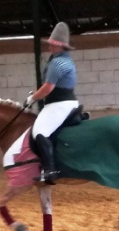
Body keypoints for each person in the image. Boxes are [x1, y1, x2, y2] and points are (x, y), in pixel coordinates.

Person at [24, 22, 79, 184]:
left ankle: (50, 170)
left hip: (59, 103)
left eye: (53, 45)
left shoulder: (58, 63)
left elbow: (48, 87)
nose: (49, 47)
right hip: (61, 103)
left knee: (40, 132)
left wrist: (33, 98)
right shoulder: (60, 59)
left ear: (61, 46)